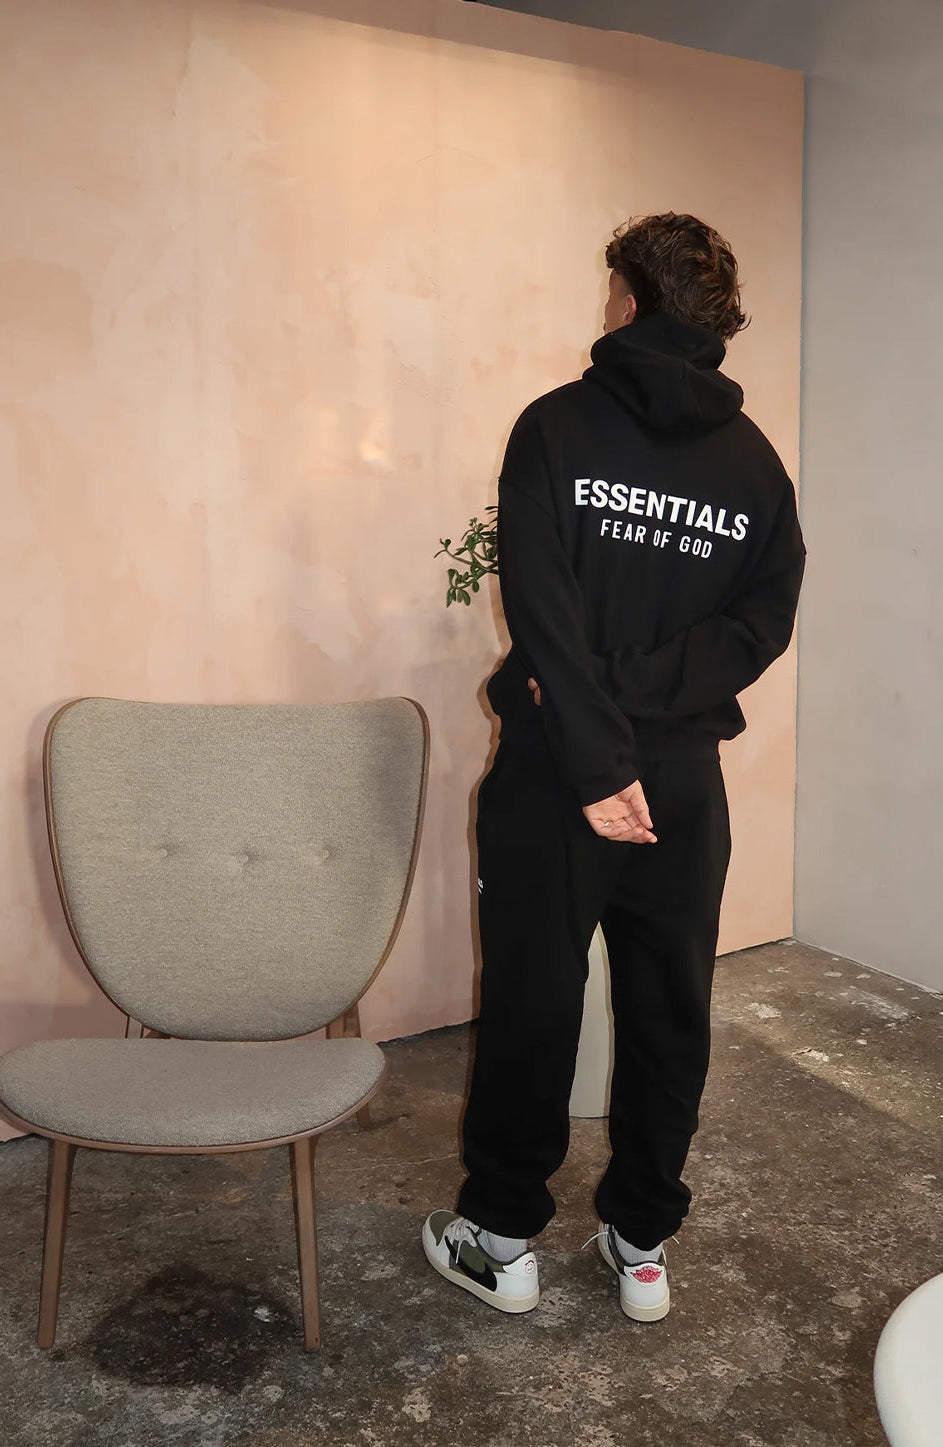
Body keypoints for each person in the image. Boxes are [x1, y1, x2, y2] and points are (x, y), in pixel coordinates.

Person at [422, 213, 805, 1322]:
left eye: (609, 293)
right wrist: (639, 723)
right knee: (669, 1004)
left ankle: (501, 1241)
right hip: (682, 783)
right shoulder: (755, 465)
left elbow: (540, 611)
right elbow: (759, 626)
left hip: (558, 769)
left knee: (535, 997)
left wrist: (594, 754)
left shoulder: (554, 426)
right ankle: (641, 1243)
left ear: (629, 302)